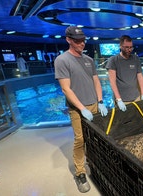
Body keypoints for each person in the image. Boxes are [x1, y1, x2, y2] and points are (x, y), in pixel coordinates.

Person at [54, 26, 108, 193]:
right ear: (68, 40)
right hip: (78, 108)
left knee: (98, 138)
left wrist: (100, 101)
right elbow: (66, 89)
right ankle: (80, 172)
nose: (82, 43)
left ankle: (97, 164)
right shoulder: (62, 60)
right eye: (77, 41)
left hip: (94, 104)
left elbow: (96, 81)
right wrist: (82, 108)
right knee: (80, 140)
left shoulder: (89, 60)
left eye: (83, 40)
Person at [106, 35, 143, 112]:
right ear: (120, 46)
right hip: (123, 99)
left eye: (131, 47)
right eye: (126, 47)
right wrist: (118, 99)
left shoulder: (135, 58)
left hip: (136, 97)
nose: (129, 50)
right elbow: (112, 82)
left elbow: (140, 76)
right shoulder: (113, 60)